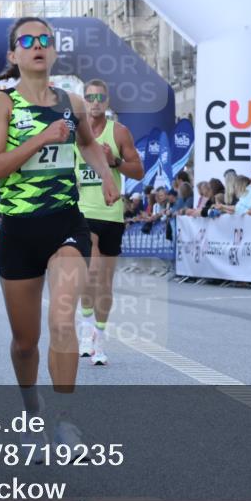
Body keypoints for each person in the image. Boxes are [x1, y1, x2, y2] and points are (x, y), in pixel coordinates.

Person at [0, 17, 118, 452]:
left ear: (53, 52)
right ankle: (31, 412)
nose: (38, 46)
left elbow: (88, 143)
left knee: (62, 318)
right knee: (24, 342)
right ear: (13, 56)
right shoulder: (3, 105)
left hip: (64, 224)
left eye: (45, 40)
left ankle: (66, 421)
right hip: (19, 230)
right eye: (28, 40)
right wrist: (39, 139)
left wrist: (106, 176)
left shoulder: (71, 103)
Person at [73, 79, 144, 366]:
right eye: (90, 97)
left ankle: (99, 341)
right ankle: (85, 330)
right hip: (82, 213)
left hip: (111, 214)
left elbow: (138, 171)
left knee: (104, 283)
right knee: (90, 275)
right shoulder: (75, 133)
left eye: (100, 97)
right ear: (84, 100)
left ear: (107, 100)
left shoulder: (120, 132)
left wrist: (114, 161)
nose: (95, 102)